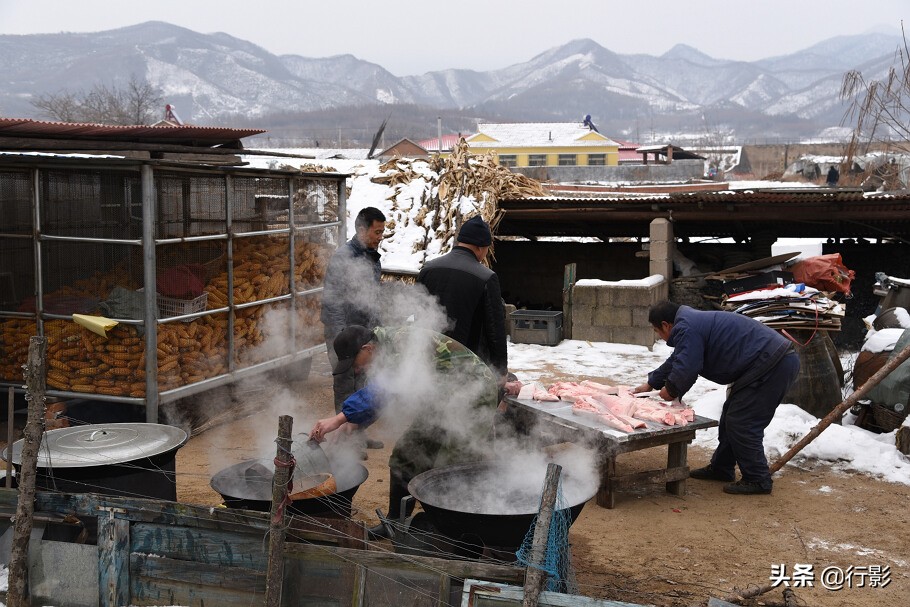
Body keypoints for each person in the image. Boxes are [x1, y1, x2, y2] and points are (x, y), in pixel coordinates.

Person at [309, 324, 499, 537]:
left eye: (354, 362)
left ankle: (456, 538)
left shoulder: (400, 342)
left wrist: (339, 418)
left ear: (367, 348)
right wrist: (352, 422)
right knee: (405, 456)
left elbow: (384, 388)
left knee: (450, 468)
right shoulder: (383, 351)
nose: (356, 369)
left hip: (473, 396)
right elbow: (385, 395)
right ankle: (395, 524)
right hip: (441, 399)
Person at [633, 301, 800, 495]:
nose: (659, 337)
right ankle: (722, 468)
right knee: (732, 416)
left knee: (742, 421)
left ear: (666, 325)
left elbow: (688, 366)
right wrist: (651, 383)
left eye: (656, 331)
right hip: (766, 362)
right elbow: (678, 359)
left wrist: (670, 390)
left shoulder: (687, 327)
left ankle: (757, 479)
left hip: (772, 364)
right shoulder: (689, 324)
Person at [320, 206, 386, 448]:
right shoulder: (343, 258)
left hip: (364, 334)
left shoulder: (371, 256)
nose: (380, 238)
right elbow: (332, 300)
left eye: (382, 233)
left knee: (366, 382)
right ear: (361, 229)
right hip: (344, 335)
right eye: (376, 232)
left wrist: (377, 332)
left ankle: (358, 433)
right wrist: (340, 339)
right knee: (346, 384)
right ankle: (345, 440)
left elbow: (373, 298)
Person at [416, 215, 508, 381]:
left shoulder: (428, 269)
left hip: (427, 361)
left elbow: (416, 314)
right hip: (466, 365)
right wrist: (501, 370)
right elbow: (495, 330)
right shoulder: (486, 277)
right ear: (481, 247)